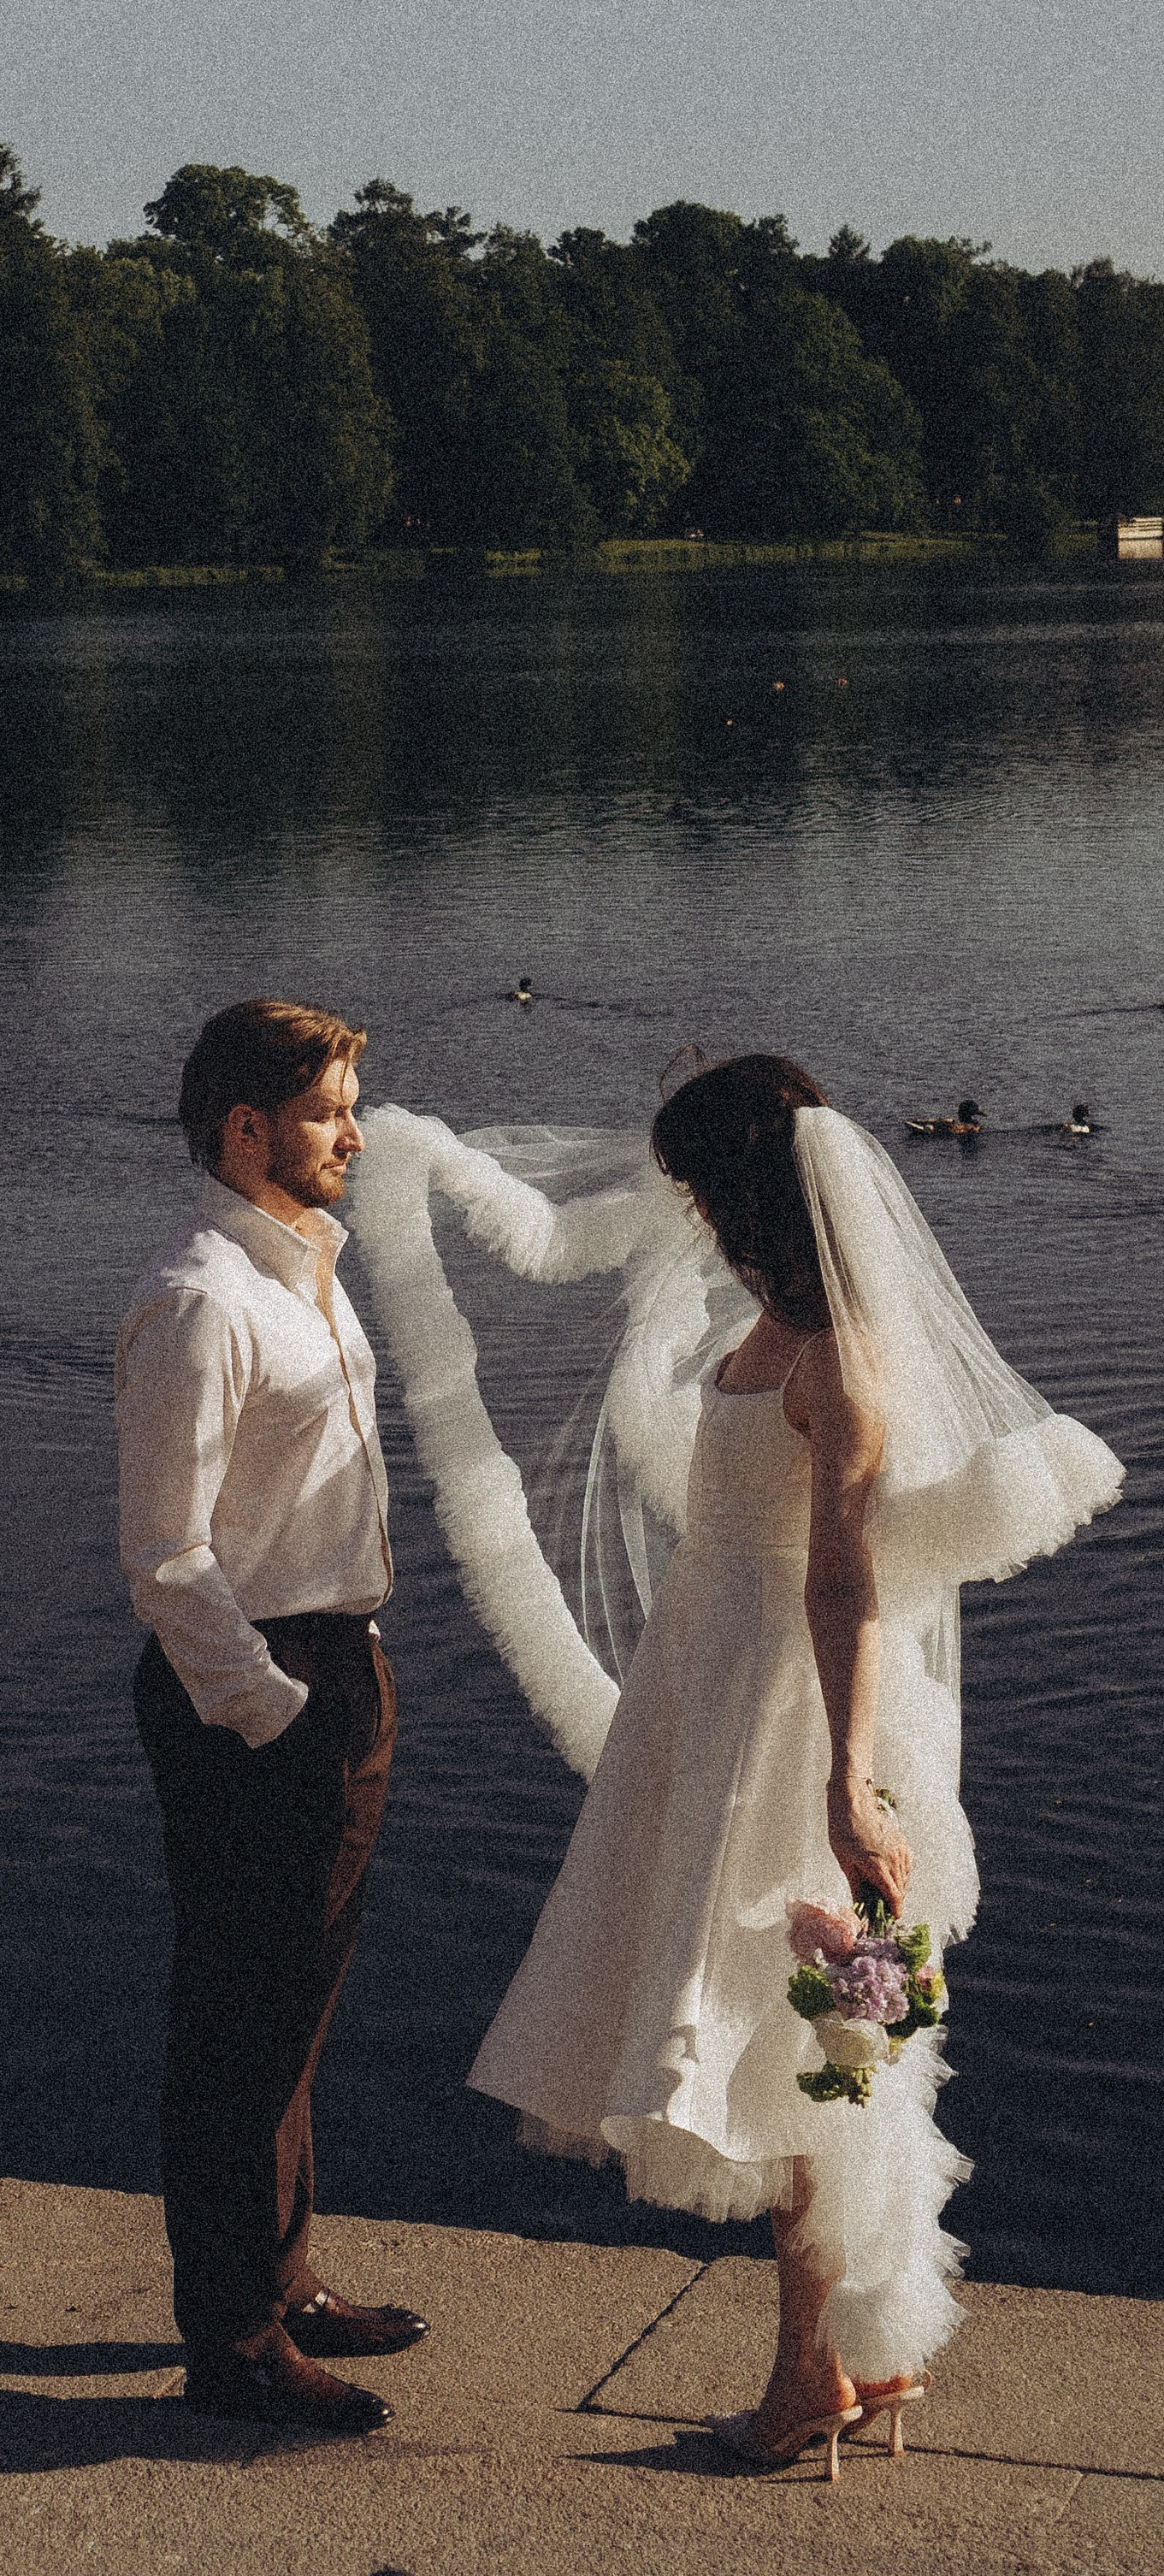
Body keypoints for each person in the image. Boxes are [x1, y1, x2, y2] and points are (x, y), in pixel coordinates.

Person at [347, 1057, 1120, 2481]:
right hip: (710, 1697)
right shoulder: (774, 1328)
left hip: (782, 1717)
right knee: (795, 2047)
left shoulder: (839, 1361)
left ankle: (803, 2385)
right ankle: (857, 2362)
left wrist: (846, 1782)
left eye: (701, 1188)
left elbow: (846, 1583)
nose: (687, 1213)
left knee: (808, 2050)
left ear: (754, 1192)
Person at [115, 998, 427, 2436]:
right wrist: (276, 1709)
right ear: (248, 1130)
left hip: (331, 1665)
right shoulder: (201, 1300)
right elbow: (166, 1556)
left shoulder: (302, 1269)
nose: (355, 1132)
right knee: (238, 2017)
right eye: (329, 1110)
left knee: (297, 2005)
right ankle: (229, 2339)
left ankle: (284, 2280)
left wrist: (344, 1676)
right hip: (254, 1694)